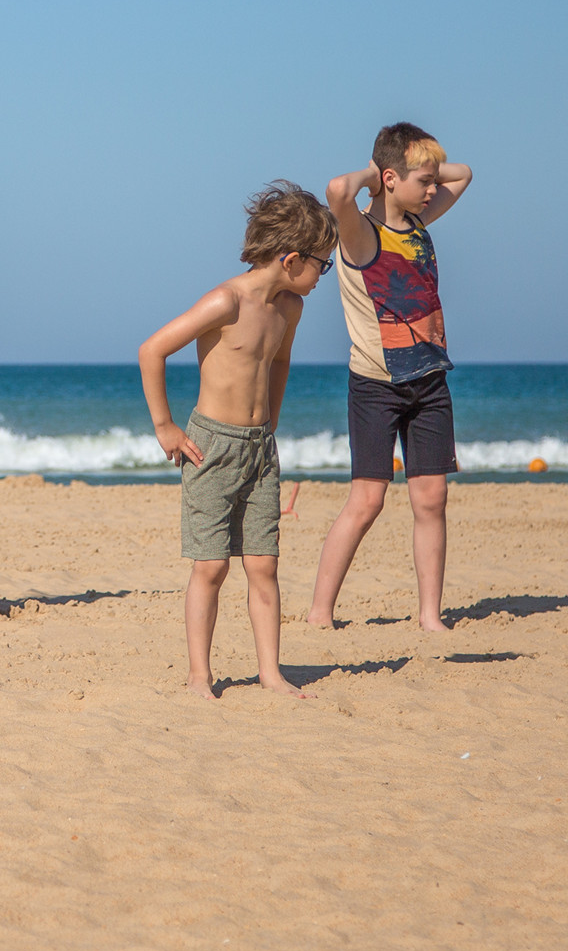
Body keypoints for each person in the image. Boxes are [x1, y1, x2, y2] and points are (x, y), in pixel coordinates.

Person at [139, 182, 337, 699]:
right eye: (324, 263)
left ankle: (270, 673)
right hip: (211, 446)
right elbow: (152, 350)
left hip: (259, 447)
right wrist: (165, 426)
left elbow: (281, 360)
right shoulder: (227, 300)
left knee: (263, 564)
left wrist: (270, 417)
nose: (325, 274)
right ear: (292, 258)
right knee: (211, 566)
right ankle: (199, 676)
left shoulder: (289, 309)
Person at [305, 124, 474, 632]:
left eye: (430, 181)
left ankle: (429, 616)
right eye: (422, 180)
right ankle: (319, 613)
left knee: (431, 499)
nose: (432, 188)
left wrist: (417, 170)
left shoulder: (421, 218)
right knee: (368, 500)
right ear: (390, 178)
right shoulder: (358, 233)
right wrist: (376, 178)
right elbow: (338, 189)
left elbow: (463, 173)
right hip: (375, 384)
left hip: (429, 380)